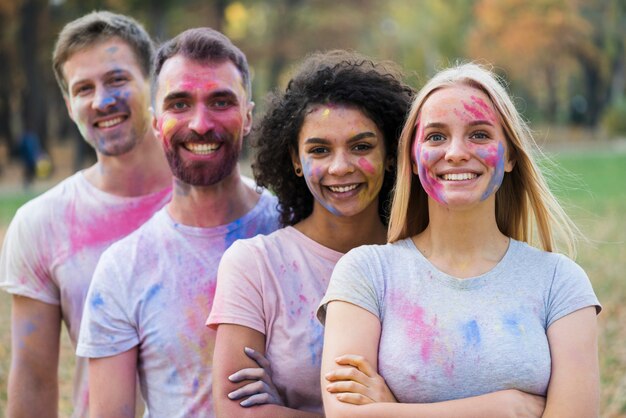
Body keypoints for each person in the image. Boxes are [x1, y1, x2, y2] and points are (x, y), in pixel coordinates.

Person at [318, 62, 601, 418]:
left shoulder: (560, 282)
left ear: (510, 155)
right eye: (436, 136)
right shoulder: (366, 273)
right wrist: (502, 408)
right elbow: (344, 415)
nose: (455, 153)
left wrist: (390, 410)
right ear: (414, 160)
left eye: (479, 134)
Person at [76, 27, 280, 418]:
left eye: (221, 101)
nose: (201, 124)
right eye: (180, 104)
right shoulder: (123, 269)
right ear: (156, 123)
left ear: (249, 116)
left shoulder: (297, 228)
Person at [208, 50, 414, 417]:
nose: (340, 167)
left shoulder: (423, 258)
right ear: (294, 160)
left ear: (392, 153)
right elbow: (234, 411)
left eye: (361, 146)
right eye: (319, 150)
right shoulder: (256, 265)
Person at [0, 11, 172, 417]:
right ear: (68, 104)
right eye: (83, 88)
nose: (102, 100)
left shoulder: (219, 203)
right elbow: (35, 378)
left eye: (117, 80)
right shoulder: (41, 223)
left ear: (154, 84)